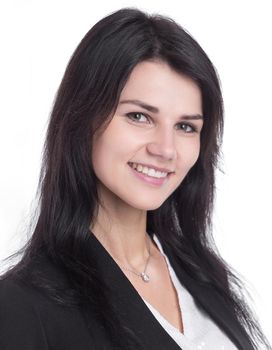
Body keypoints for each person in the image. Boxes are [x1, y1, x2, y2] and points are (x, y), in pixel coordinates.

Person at [0, 7, 270, 350]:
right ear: (83, 117)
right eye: (139, 116)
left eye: (186, 126)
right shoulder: (22, 307)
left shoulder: (203, 276)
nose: (166, 149)